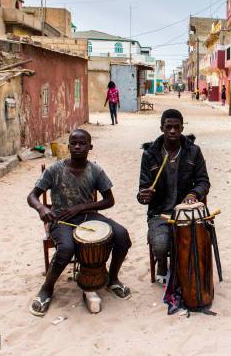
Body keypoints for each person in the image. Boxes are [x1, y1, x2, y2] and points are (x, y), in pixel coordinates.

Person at [27, 129, 132, 316]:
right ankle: (47, 288)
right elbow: (32, 196)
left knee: (122, 235)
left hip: (89, 216)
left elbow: (109, 200)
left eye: (82, 143)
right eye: (73, 143)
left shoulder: (95, 170)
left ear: (90, 147)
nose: (77, 146)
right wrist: (42, 209)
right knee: (66, 248)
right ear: (68, 146)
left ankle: (113, 278)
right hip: (61, 220)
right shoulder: (55, 170)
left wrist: (81, 208)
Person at [137, 109, 210, 284]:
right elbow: (142, 190)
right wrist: (143, 195)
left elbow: (203, 181)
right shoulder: (150, 154)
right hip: (159, 213)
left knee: (197, 244)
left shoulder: (193, 151)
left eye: (176, 127)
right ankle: (162, 263)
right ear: (161, 127)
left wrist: (193, 194)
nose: (172, 131)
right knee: (161, 247)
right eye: (168, 127)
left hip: (187, 212)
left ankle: (184, 267)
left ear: (182, 128)